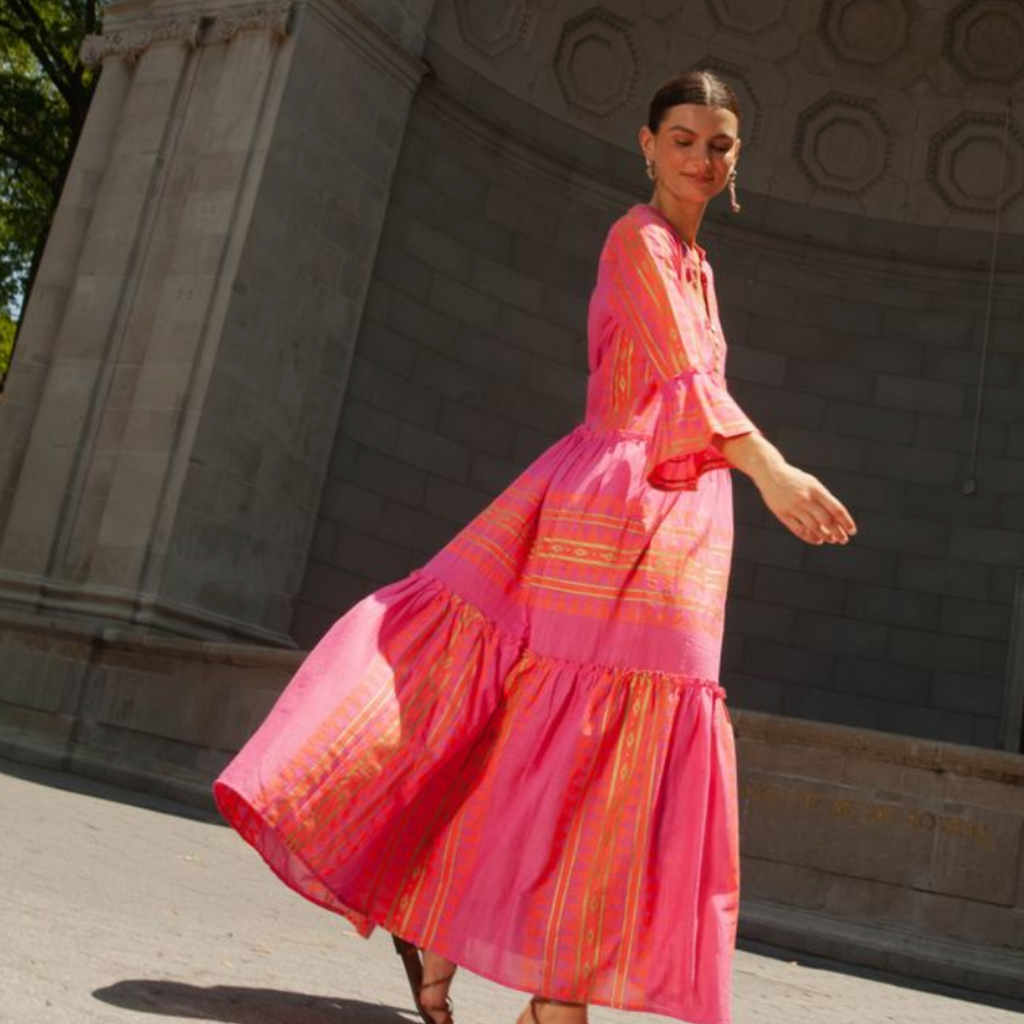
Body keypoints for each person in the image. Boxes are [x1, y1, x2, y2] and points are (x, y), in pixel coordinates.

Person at [213, 69, 857, 1024]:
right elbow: (679, 376)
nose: (700, 159)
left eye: (718, 144)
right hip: (612, 508)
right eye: (682, 138)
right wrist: (773, 470)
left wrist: (747, 475)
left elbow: (692, 389)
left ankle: (501, 966)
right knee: (578, 737)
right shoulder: (634, 237)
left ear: (736, 161)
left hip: (686, 521)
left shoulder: (699, 262)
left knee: (621, 751)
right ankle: (550, 999)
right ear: (646, 144)